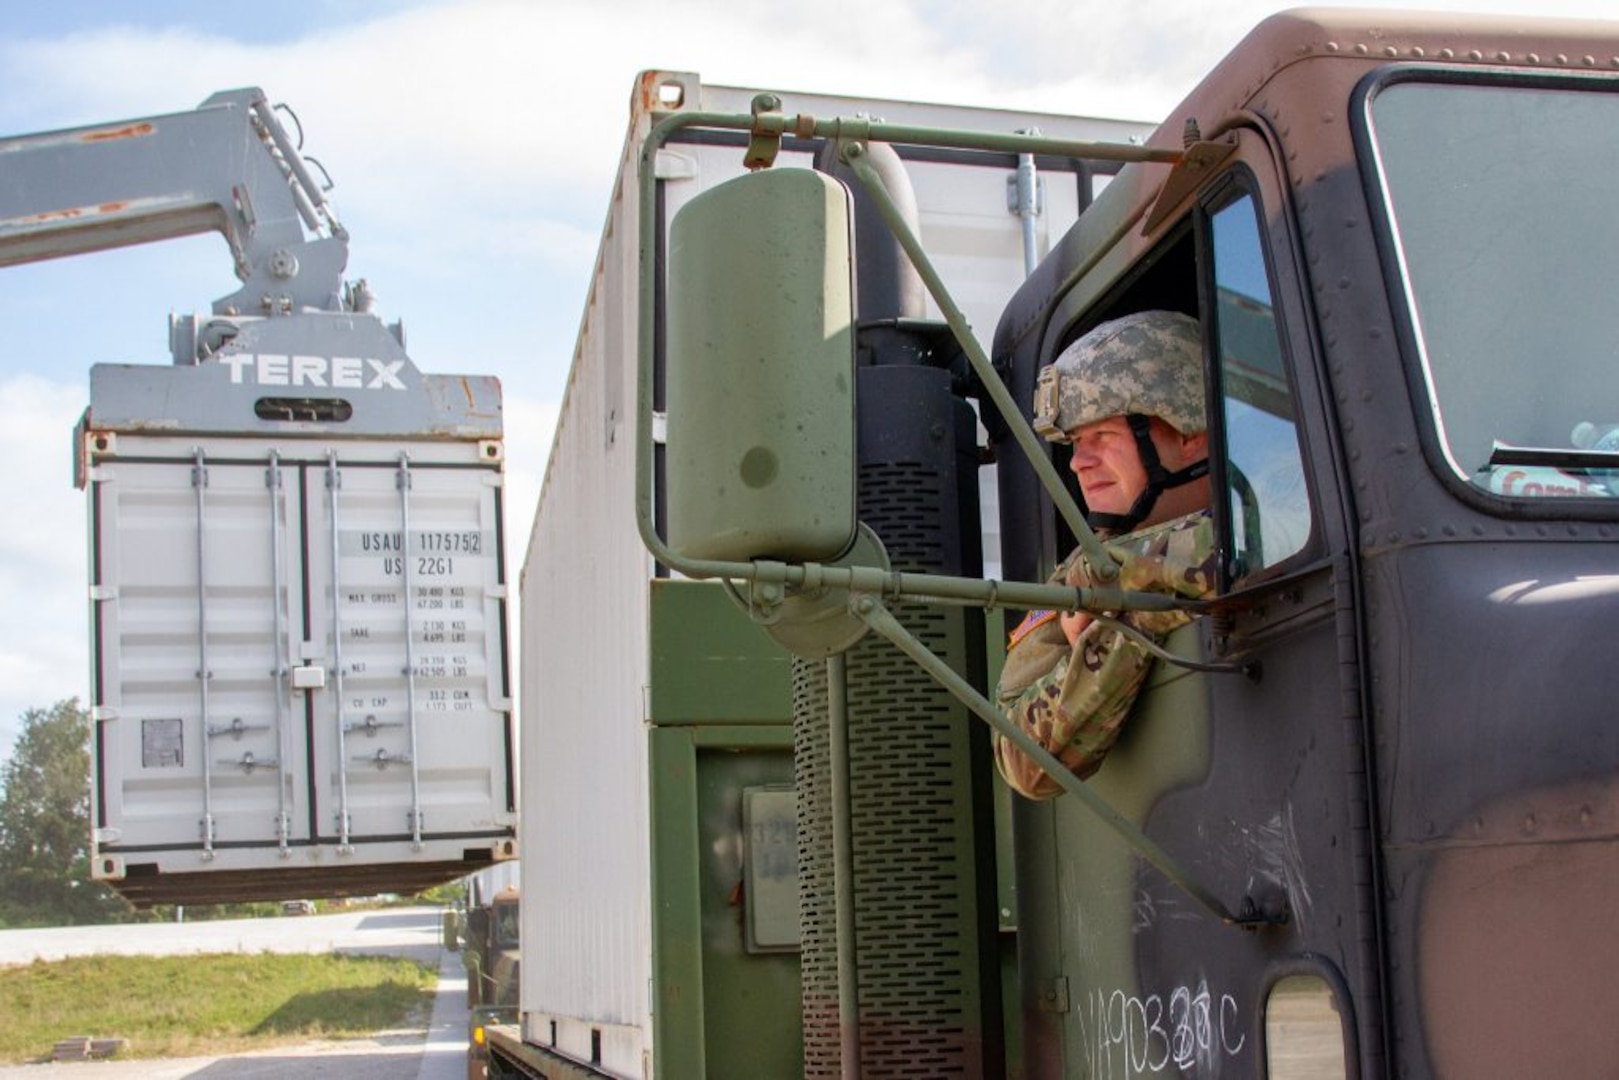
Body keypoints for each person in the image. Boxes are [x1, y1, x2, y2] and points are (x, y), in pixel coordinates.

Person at [995, 310, 1218, 800]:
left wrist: (1116, 593)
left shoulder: (1280, 502)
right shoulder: (1079, 577)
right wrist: (1122, 632)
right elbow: (1022, 760)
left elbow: (1238, 553)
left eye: (1103, 436)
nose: (1078, 461)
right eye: (1075, 442)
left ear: (1187, 433)